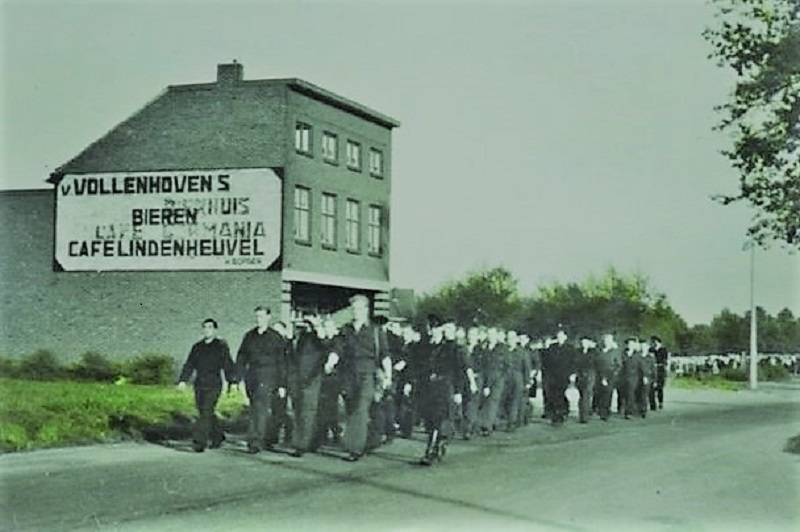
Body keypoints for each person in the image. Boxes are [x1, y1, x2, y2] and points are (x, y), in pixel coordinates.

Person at [336, 294, 392, 462]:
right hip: (349, 375)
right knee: (351, 408)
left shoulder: (375, 330)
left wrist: (388, 375)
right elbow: (337, 348)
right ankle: (369, 440)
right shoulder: (346, 329)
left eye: (359, 308)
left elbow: (385, 354)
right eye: (354, 309)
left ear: (366, 310)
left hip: (368, 374)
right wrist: (331, 360)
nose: (356, 311)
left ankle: (355, 449)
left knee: (361, 409)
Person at [177, 318, 237, 452]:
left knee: (205, 412)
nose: (207, 330)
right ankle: (218, 436)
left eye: (210, 327)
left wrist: (232, 382)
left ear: (215, 330)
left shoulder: (220, 346)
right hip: (199, 384)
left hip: (214, 385)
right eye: (205, 327)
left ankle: (199, 442)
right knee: (205, 412)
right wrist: (183, 380)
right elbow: (189, 364)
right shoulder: (197, 347)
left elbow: (227, 364)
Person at [235, 306, 288, 454]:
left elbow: (281, 361)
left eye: (262, 316)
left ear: (268, 317)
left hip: (268, 375)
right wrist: (238, 377)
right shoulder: (249, 336)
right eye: (257, 316)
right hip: (251, 374)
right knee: (254, 407)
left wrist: (282, 384)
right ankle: (255, 438)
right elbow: (241, 357)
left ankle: (255, 441)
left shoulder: (275, 338)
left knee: (261, 407)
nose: (259, 319)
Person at [575, 335, 598, 424]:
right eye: (582, 342)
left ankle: (584, 416)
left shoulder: (594, 352)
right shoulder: (578, 352)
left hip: (590, 375)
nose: (583, 344)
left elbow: (596, 364)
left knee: (586, 394)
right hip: (580, 375)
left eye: (585, 342)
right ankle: (584, 413)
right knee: (582, 395)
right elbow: (575, 363)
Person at [651, 336, 669, 409]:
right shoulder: (651, 350)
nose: (654, 343)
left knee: (660, 387)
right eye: (653, 342)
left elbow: (665, 360)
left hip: (660, 369)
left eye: (656, 342)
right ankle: (653, 403)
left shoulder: (663, 350)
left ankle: (660, 402)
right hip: (653, 369)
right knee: (652, 387)